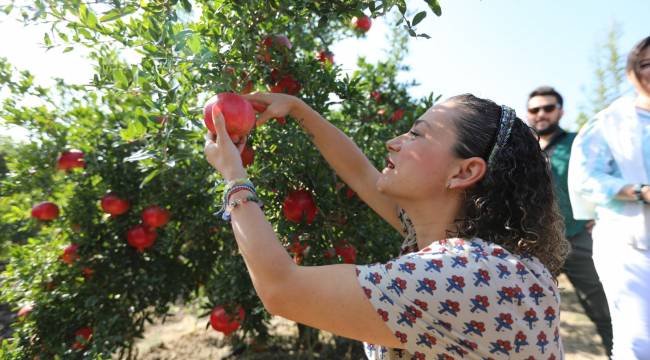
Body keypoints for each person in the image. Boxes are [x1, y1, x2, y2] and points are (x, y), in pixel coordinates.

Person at [204, 92, 569, 359]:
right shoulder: (475, 253)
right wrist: (298, 110)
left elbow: (281, 289)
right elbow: (362, 174)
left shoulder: (458, 274)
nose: (393, 143)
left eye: (416, 134)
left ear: (464, 171)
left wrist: (234, 176)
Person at [568, 36, 650, 359]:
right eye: (646, 63)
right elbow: (586, 177)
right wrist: (640, 192)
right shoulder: (610, 123)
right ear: (632, 72)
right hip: (629, 245)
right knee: (640, 342)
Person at [527, 86, 613, 355]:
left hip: (577, 237)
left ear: (560, 111)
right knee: (528, 311)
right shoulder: (522, 148)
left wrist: (601, 213)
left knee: (602, 308)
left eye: (548, 108)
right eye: (534, 109)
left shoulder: (579, 143)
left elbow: (606, 176)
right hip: (534, 243)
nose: (541, 114)